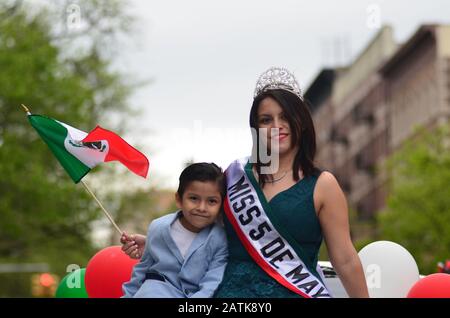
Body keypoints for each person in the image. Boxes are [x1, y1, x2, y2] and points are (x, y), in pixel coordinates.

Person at [122, 67, 369, 298]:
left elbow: (345, 259)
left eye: (285, 117)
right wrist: (161, 241)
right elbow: (202, 222)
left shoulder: (323, 185)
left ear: (301, 122)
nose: (276, 126)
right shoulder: (235, 174)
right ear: (256, 128)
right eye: (265, 120)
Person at [121, 162, 228, 298]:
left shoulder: (220, 238)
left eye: (211, 201)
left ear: (221, 204)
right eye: (194, 198)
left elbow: (213, 283)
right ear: (179, 199)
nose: (202, 207)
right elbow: (142, 270)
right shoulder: (158, 227)